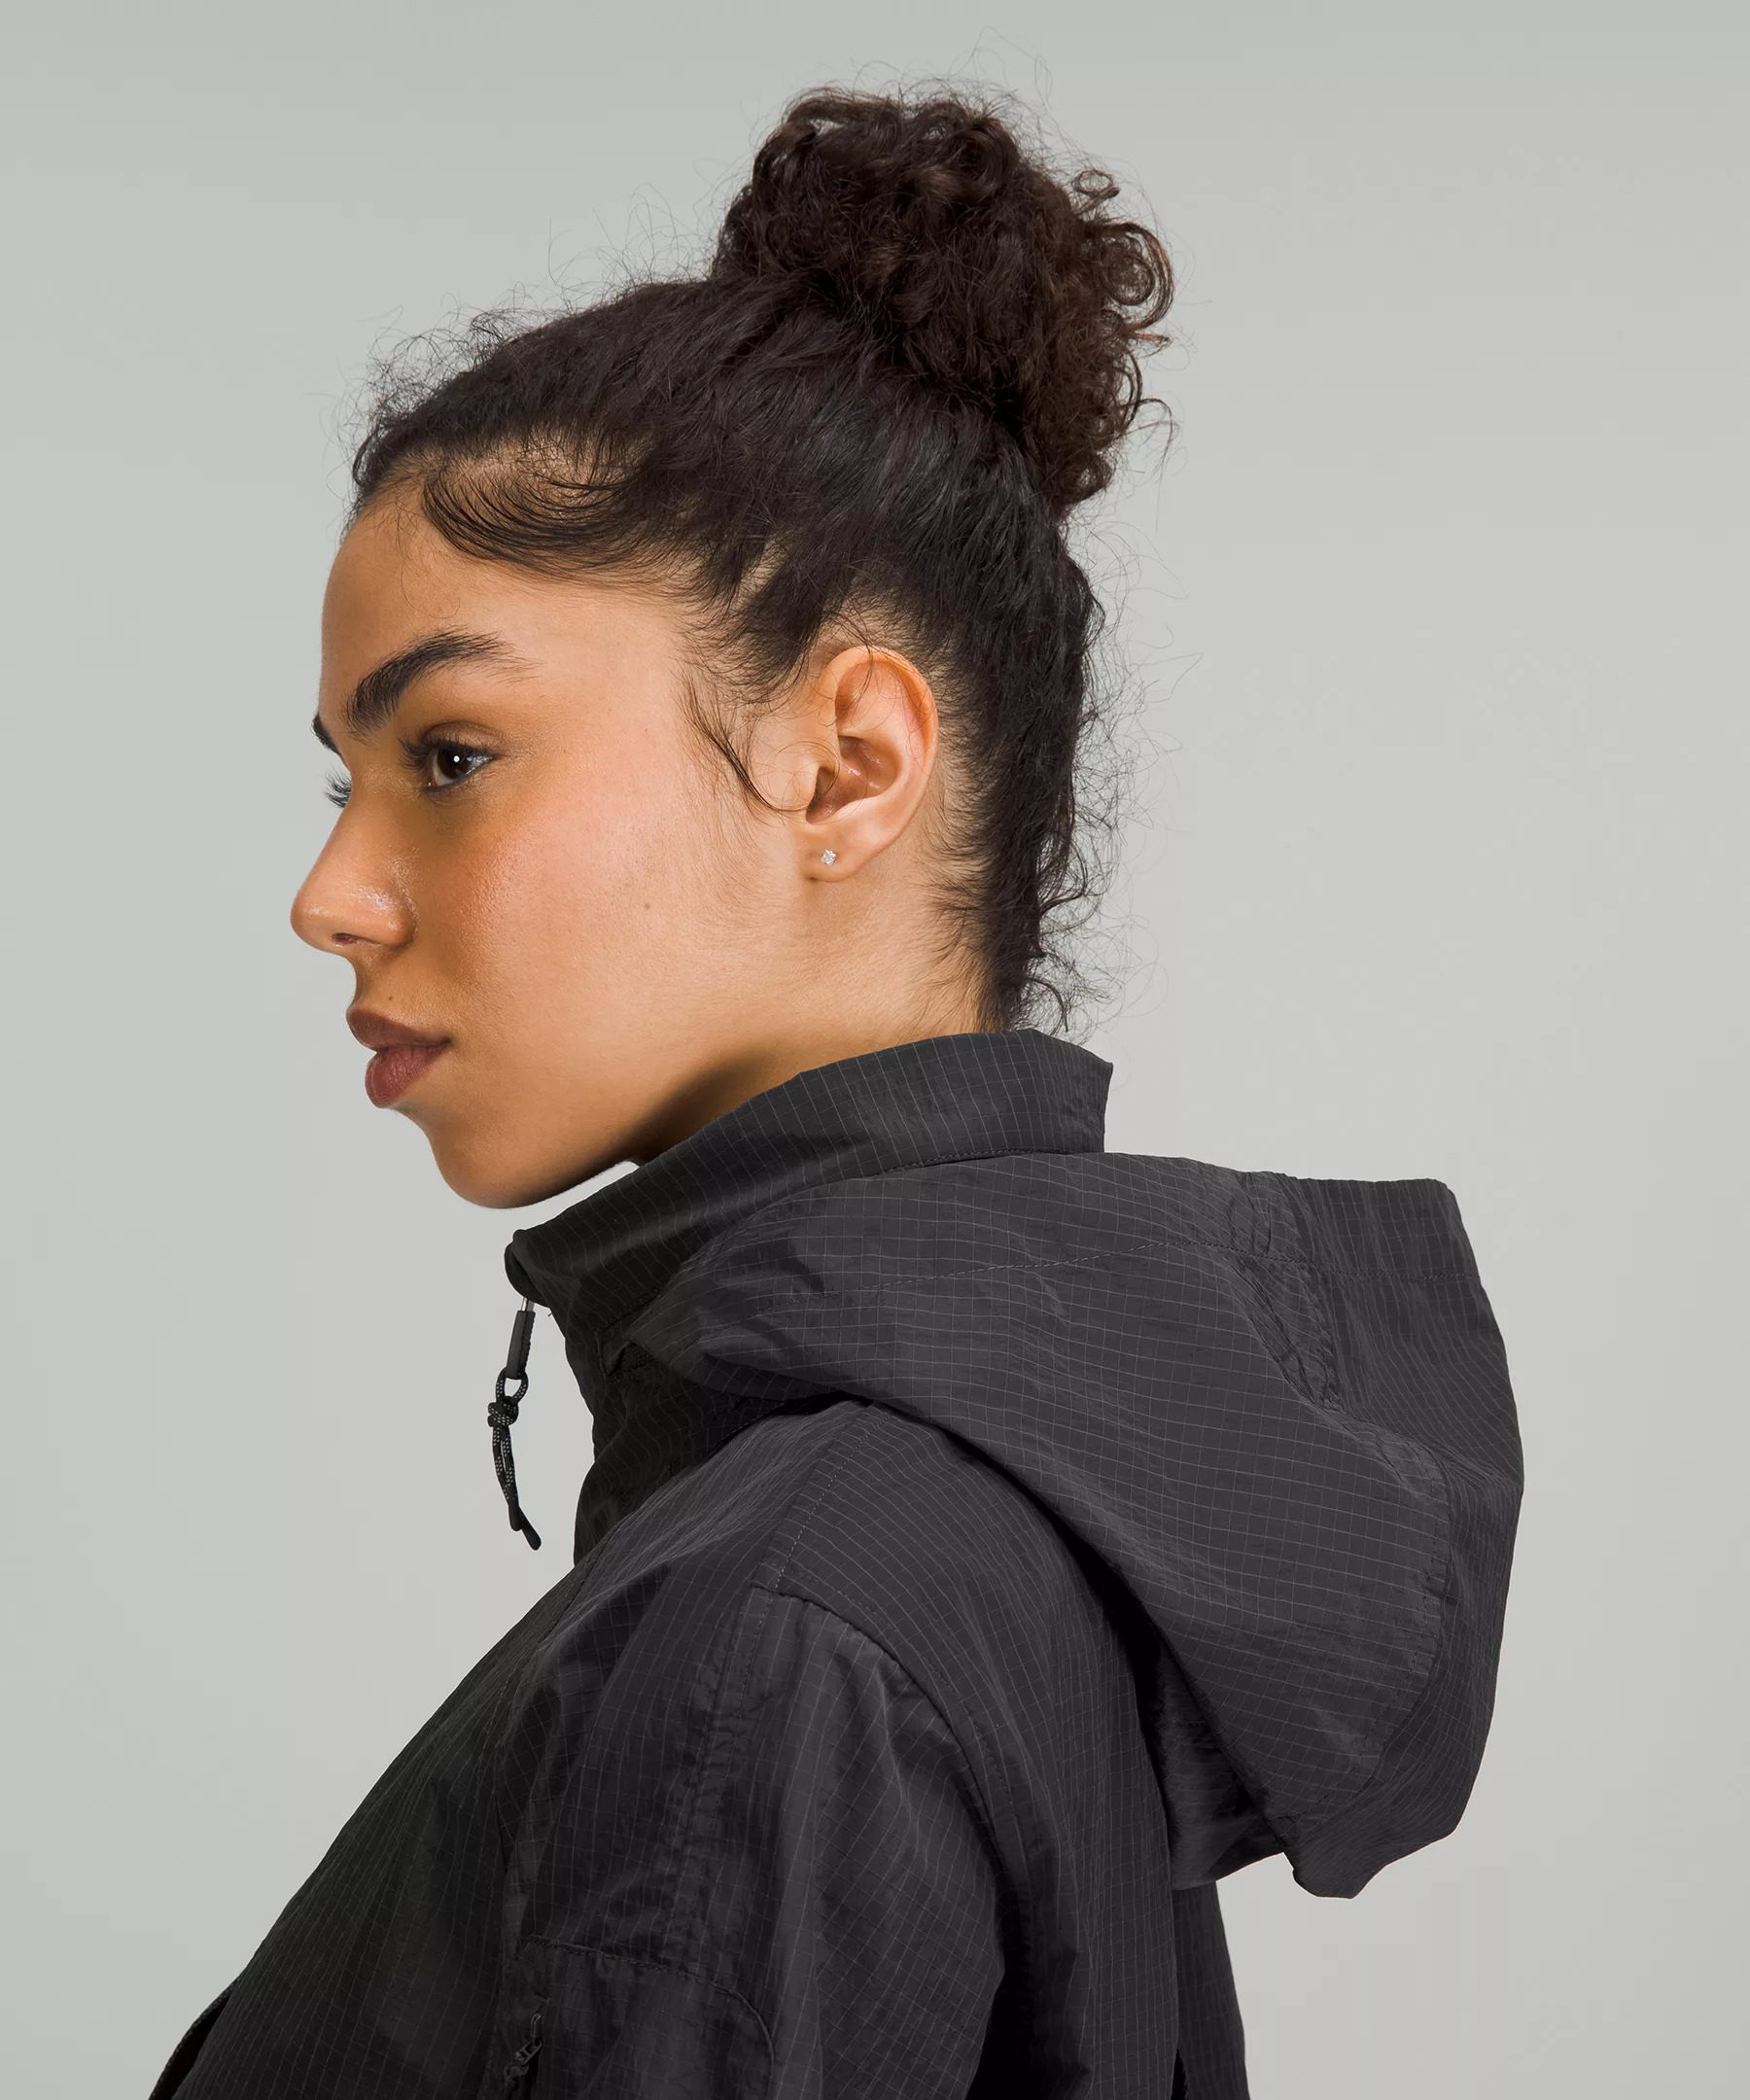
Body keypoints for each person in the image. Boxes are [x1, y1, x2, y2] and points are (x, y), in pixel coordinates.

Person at [149, 87, 1522, 2100]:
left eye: (447, 755)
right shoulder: (992, 1510)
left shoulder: (785, 1622)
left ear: (849, 763)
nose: (330, 895)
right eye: (342, 783)